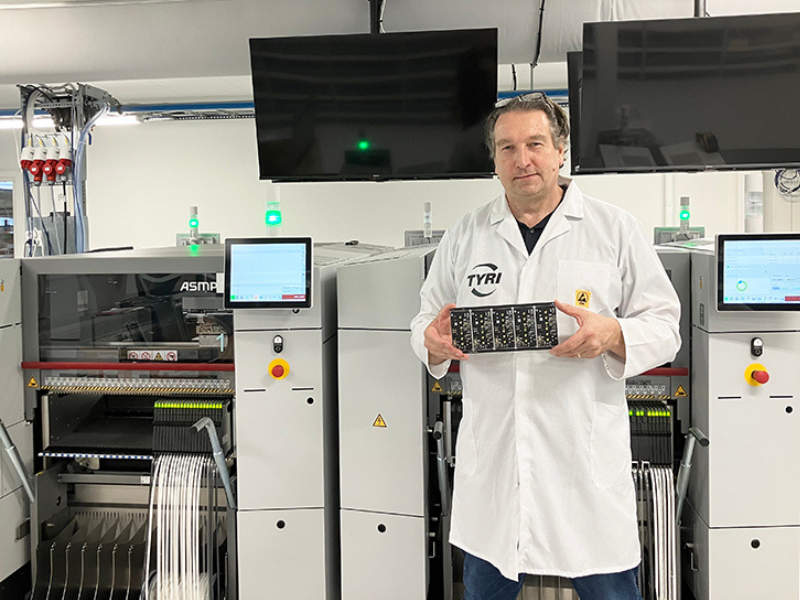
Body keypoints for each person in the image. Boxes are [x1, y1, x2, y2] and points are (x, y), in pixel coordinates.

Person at [409, 93, 680, 600]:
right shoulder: (466, 235)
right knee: (486, 586)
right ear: (493, 160)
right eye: (507, 148)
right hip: (495, 465)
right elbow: (426, 318)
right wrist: (430, 338)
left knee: (610, 589)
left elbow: (665, 324)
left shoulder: (613, 229)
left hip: (583, 464)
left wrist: (614, 334)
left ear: (561, 151)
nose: (522, 159)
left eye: (535, 143)